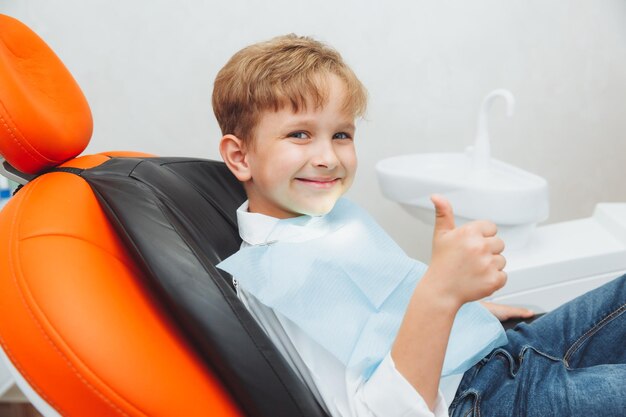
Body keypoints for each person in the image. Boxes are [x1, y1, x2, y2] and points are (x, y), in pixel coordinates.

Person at [213, 34, 626, 417]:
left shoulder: (323, 222)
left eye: (341, 134)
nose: (328, 157)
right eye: (300, 134)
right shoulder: (276, 278)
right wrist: (442, 293)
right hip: (482, 400)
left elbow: (378, 316)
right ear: (240, 156)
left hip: (492, 351)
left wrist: (464, 310)